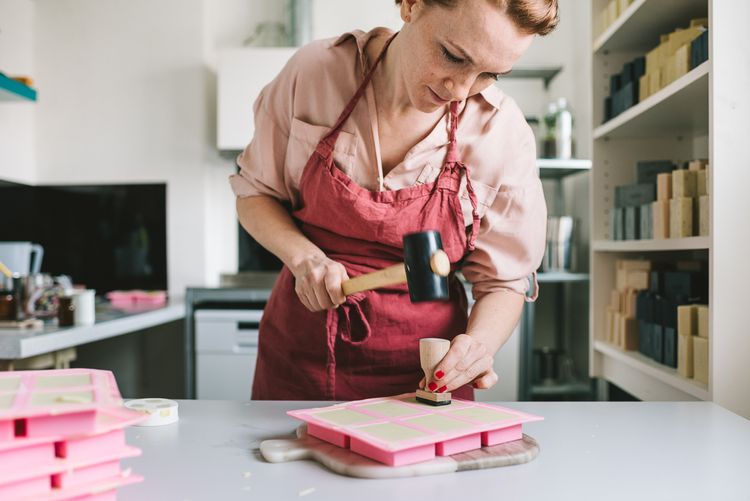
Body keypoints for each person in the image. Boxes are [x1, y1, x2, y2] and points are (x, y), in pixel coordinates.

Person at [230, 0, 558, 401]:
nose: (460, 91)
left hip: (424, 377)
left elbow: (504, 282)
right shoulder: (314, 74)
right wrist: (304, 258)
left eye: (489, 74)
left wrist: (479, 346)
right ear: (410, 5)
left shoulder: (502, 134)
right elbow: (255, 194)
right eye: (452, 55)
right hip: (300, 362)